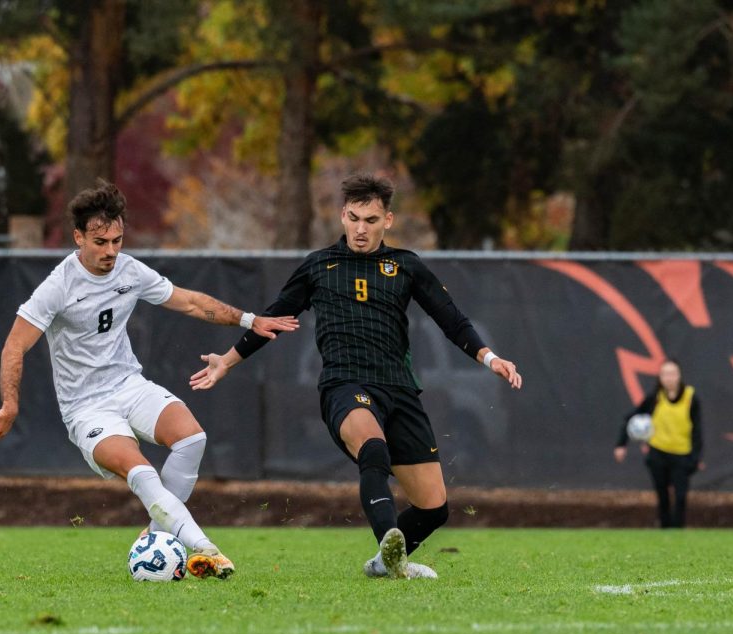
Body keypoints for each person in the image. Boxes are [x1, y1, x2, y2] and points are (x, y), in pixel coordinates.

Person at [189, 173, 522, 580]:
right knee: (373, 447)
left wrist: (491, 359)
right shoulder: (318, 266)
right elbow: (270, 321)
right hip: (346, 386)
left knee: (435, 507)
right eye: (353, 218)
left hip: (400, 389)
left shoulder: (405, 266)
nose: (360, 229)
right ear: (342, 216)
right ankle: (391, 549)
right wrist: (228, 359)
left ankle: (383, 564)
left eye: (370, 220)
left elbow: (451, 321)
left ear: (388, 221)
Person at [0, 181, 299, 578]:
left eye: (117, 240)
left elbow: (191, 302)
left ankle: (157, 537)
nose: (111, 251)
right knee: (141, 470)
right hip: (86, 407)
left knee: (192, 438)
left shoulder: (130, 271)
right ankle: (205, 548)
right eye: (100, 242)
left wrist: (251, 319)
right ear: (78, 237)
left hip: (129, 386)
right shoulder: (57, 286)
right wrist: (10, 406)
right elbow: (13, 347)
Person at [615, 358, 704, 529]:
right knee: (662, 495)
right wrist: (621, 444)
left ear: (679, 376)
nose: (669, 378)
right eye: (665, 374)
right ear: (660, 377)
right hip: (658, 452)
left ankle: (678, 530)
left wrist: (696, 456)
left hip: (681, 453)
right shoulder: (655, 398)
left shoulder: (691, 398)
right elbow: (630, 418)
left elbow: (697, 430)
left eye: (672, 373)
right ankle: (664, 529)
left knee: (680, 496)